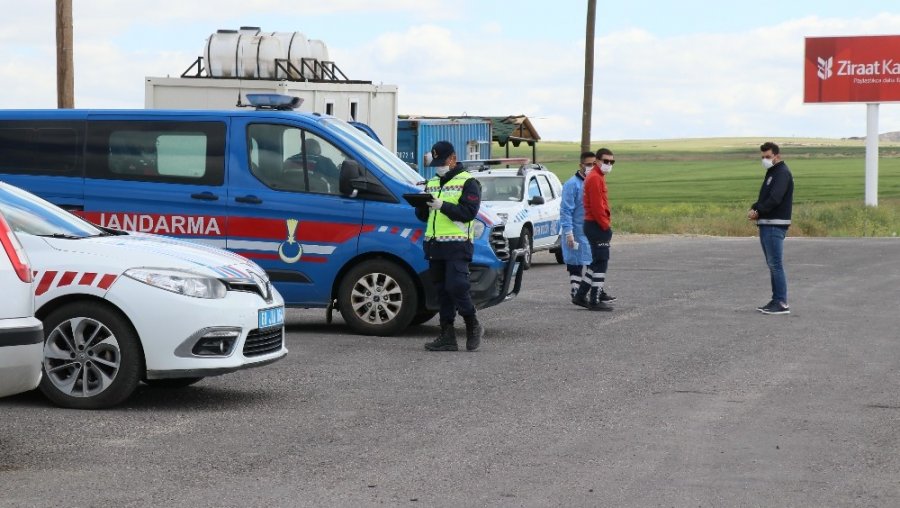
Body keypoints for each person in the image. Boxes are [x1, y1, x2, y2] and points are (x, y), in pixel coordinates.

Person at [414, 141, 484, 351]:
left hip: (457, 244)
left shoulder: (469, 182)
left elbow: (468, 212)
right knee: (442, 291)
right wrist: (421, 204)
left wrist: (442, 205)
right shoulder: (433, 182)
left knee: (457, 286)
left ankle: (472, 324)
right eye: (435, 163)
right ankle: (447, 335)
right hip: (435, 245)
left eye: (441, 161)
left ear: (453, 158)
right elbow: (423, 216)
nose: (438, 167)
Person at [748, 141, 794, 315]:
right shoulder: (772, 172)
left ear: (777, 156)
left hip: (775, 225)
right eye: (762, 157)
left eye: (767, 157)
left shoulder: (781, 173)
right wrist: (755, 208)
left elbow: (774, 199)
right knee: (772, 264)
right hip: (767, 224)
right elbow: (764, 197)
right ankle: (776, 300)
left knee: (775, 264)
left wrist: (758, 210)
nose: (765, 160)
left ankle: (781, 302)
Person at [572, 147, 617, 311]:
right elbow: (598, 207)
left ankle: (581, 295)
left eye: (612, 162)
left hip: (593, 224)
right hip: (596, 224)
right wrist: (606, 226)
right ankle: (594, 299)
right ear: (597, 161)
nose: (609, 164)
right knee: (602, 262)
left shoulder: (597, 177)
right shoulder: (596, 178)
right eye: (606, 161)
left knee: (597, 261)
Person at [559, 151, 597, 299]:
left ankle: (595, 289)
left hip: (591, 230)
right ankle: (577, 290)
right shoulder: (572, 184)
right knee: (576, 262)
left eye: (594, 164)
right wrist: (568, 232)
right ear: (580, 165)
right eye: (588, 164)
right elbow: (566, 210)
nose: (591, 167)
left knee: (594, 260)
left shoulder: (594, 181)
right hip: (576, 230)